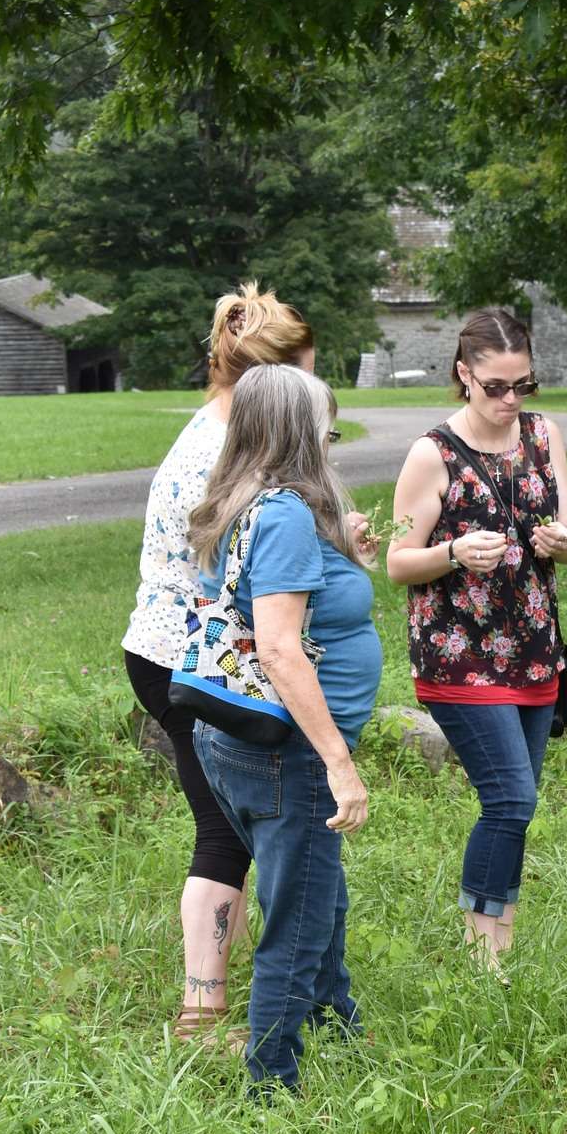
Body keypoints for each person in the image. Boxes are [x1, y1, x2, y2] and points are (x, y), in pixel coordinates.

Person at [121, 282, 315, 1040]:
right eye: (306, 376)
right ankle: (200, 1014)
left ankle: (212, 1001)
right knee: (224, 830)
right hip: (188, 662)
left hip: (167, 647)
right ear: (277, 382)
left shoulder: (222, 425)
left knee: (226, 822)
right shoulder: (224, 456)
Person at [189, 364, 382, 1093]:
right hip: (290, 755)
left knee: (316, 892)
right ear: (299, 432)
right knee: (296, 921)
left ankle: (338, 1021)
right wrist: (338, 761)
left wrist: (343, 553)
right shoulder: (285, 516)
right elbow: (277, 646)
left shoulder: (238, 500)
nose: (332, 437)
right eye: (324, 426)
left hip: (234, 742)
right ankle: (271, 1085)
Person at [386, 307, 567, 974]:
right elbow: (396, 562)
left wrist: (562, 542)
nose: (509, 400)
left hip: (532, 646)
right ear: (463, 376)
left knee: (516, 806)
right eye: (494, 387)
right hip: (457, 655)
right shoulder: (431, 453)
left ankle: (499, 944)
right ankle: (483, 961)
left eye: (522, 385)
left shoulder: (542, 434)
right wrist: (453, 551)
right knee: (509, 799)